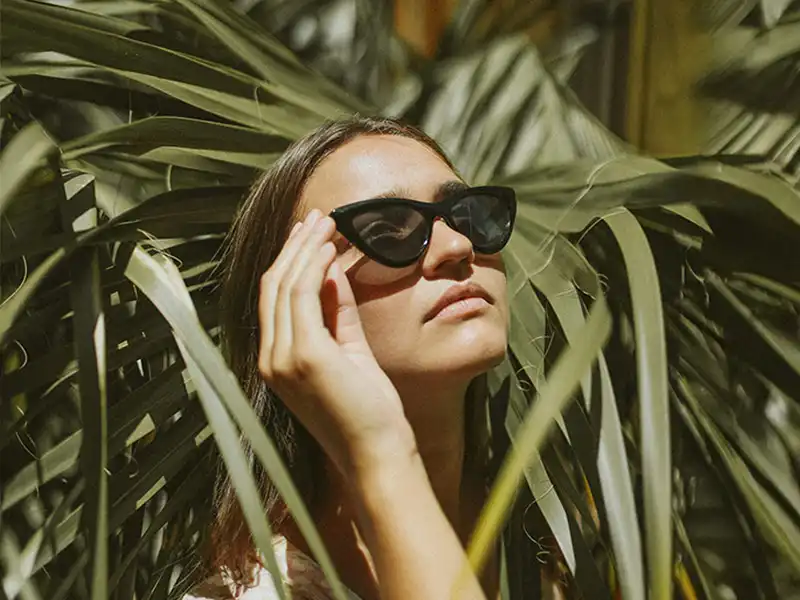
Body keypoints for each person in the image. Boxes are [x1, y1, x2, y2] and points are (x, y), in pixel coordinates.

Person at [185, 115, 516, 600]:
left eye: (467, 213)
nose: (457, 246)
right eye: (388, 230)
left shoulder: (560, 540)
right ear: (296, 301)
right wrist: (379, 451)